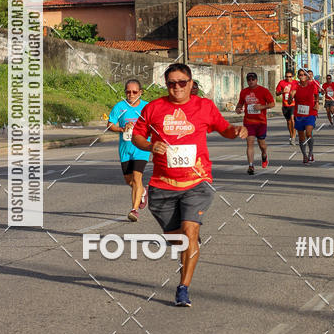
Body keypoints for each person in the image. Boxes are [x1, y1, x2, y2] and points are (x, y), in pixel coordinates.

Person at [132, 63, 247, 307]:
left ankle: (183, 287)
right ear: (166, 85)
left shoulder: (204, 106)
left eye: (182, 83)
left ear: (191, 83)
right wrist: (150, 146)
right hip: (162, 185)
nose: (177, 88)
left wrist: (235, 130)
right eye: (172, 84)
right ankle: (190, 242)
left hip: (197, 181)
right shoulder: (153, 108)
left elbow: (223, 129)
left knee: (189, 231)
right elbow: (137, 136)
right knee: (179, 240)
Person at [106, 79, 150, 222]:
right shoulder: (120, 107)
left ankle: (134, 210)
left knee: (137, 178)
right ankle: (143, 191)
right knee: (128, 180)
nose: (131, 95)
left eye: (134, 92)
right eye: (128, 92)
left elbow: (155, 124)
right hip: (125, 148)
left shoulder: (147, 107)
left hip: (141, 148)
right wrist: (121, 128)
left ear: (140, 92)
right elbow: (110, 124)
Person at [236, 72, 275, 175]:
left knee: (261, 143)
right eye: (249, 79)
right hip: (248, 122)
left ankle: (264, 153)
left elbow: (272, 104)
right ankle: (251, 165)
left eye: (253, 79)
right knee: (250, 143)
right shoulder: (244, 92)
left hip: (261, 122)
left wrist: (261, 107)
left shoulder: (263, 91)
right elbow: (240, 103)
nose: (251, 81)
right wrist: (238, 109)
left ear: (257, 80)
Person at [294, 67, 319, 163]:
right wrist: (291, 96)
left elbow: (317, 95)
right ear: (298, 76)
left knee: (308, 133)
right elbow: (290, 99)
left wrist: (317, 103)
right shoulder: (295, 86)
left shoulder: (312, 85)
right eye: (300, 75)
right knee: (301, 137)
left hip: (310, 113)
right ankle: (304, 154)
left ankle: (311, 152)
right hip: (299, 114)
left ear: (307, 76)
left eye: (305, 74)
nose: (303, 76)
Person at [276, 69, 298, 145]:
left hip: (293, 104)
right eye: (286, 76)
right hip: (285, 105)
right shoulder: (282, 83)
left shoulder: (296, 83)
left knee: (292, 120)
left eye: (290, 76)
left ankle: (294, 137)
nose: (288, 78)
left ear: (293, 76)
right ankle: (291, 135)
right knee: (288, 122)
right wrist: (282, 91)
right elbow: (277, 93)